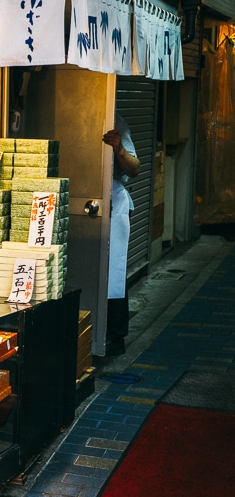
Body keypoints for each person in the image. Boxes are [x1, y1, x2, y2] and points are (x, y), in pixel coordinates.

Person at [103, 112, 140, 355]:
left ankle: (115, 337)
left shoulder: (114, 121)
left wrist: (119, 150)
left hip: (115, 202)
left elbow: (135, 168)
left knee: (114, 271)